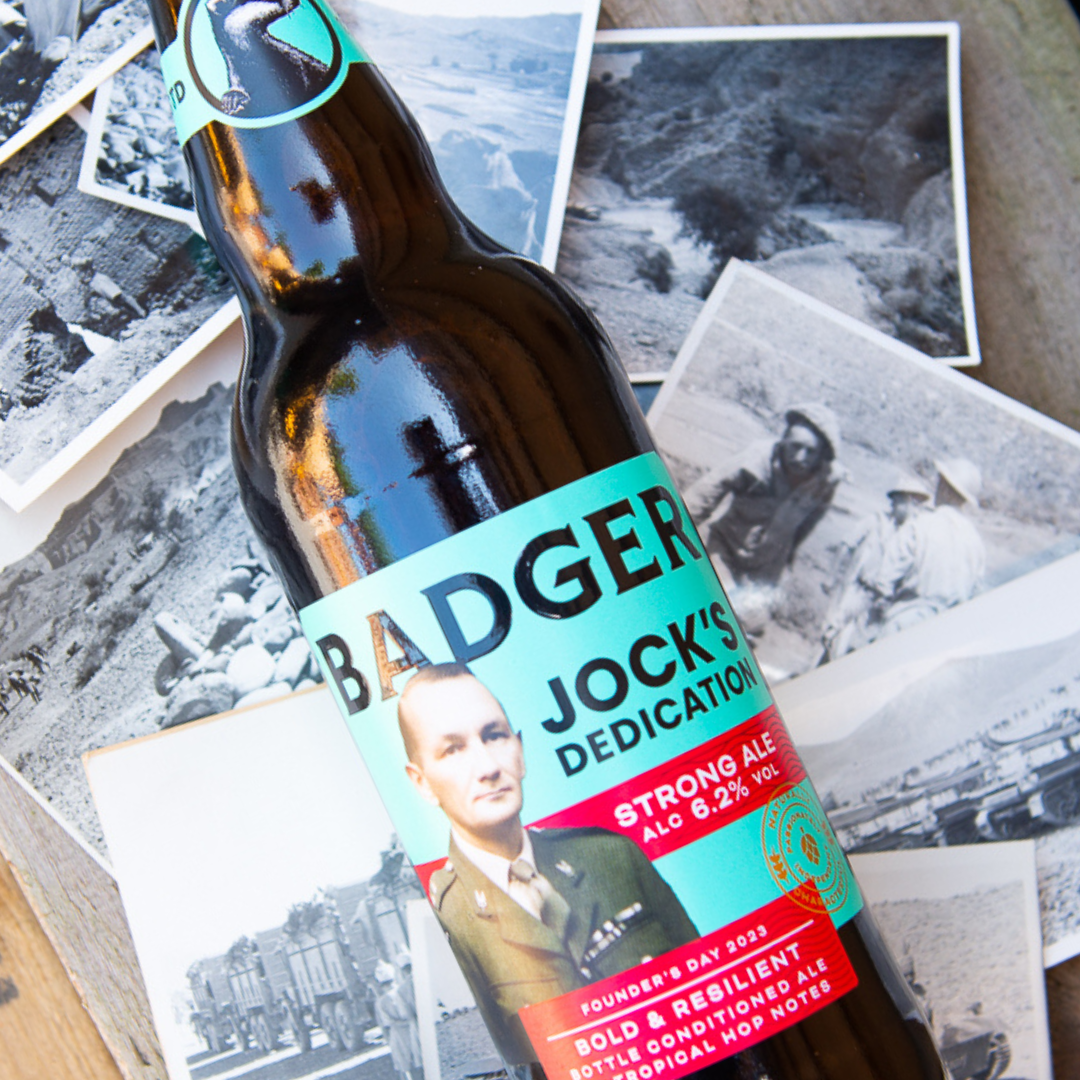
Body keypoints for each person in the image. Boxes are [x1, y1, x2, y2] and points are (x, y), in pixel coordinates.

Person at [398, 663, 699, 1065]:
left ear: (519, 751)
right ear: (421, 782)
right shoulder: (450, 919)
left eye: (495, 736)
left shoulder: (612, 856)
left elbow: (709, 993)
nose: (488, 767)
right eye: (453, 749)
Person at [819, 474, 932, 662]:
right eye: (901, 501)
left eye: (914, 503)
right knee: (831, 635)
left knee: (855, 648)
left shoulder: (913, 535)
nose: (908, 507)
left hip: (880, 601)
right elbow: (846, 544)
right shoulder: (875, 521)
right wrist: (831, 577)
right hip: (856, 590)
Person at [869, 458, 986, 637]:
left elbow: (884, 579)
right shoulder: (976, 544)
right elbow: (976, 594)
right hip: (945, 634)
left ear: (946, 488)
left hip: (904, 624)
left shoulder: (920, 525)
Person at [374, 959, 422, 1080]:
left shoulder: (381, 1002)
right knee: (419, 1059)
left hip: (398, 1034)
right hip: (412, 1027)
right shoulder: (401, 990)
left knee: (405, 1064)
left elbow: (386, 1023)